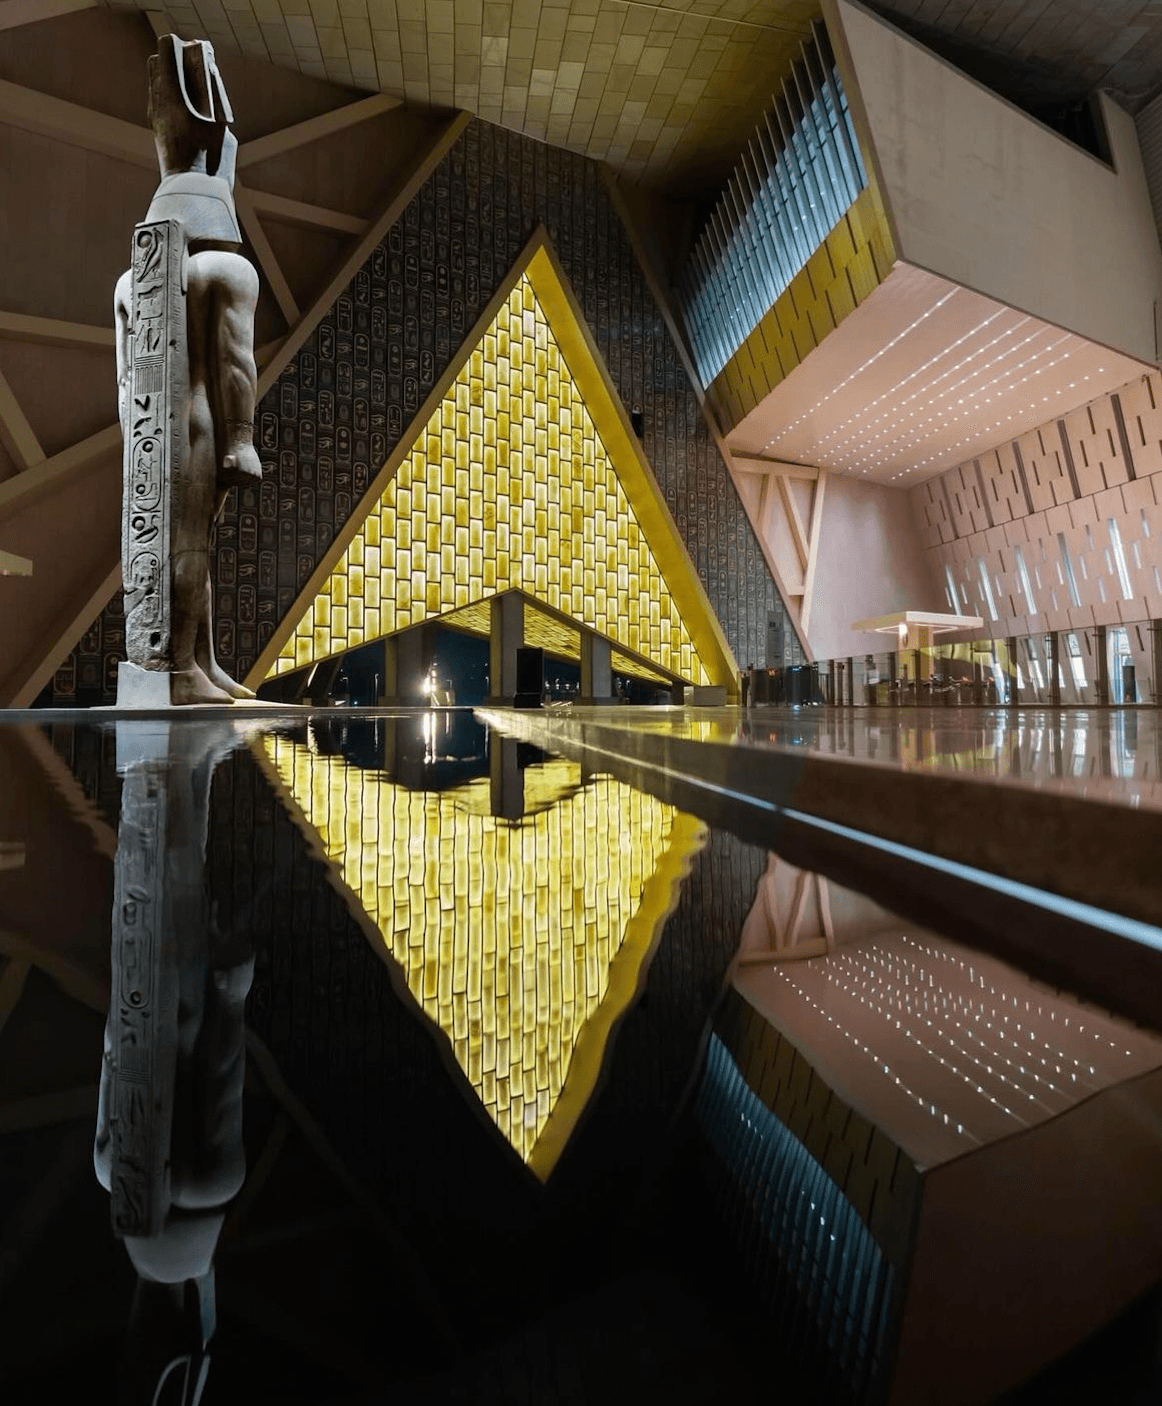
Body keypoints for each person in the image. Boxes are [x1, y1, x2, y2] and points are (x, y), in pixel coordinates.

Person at [116, 35, 260, 704]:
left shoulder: (131, 280)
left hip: (147, 428)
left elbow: (127, 374)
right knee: (194, 546)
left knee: (182, 543)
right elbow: (236, 361)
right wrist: (241, 438)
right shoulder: (227, 270)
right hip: (201, 421)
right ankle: (179, 664)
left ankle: (200, 659)